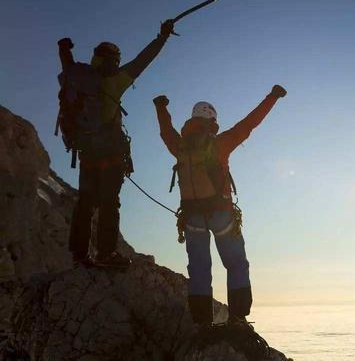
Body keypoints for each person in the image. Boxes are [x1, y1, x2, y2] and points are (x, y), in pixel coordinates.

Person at [152, 84, 287, 328]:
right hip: (221, 214)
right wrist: (273, 97)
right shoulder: (220, 143)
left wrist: (161, 107)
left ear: (193, 119)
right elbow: (248, 124)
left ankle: (202, 321)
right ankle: (238, 318)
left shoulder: (180, 146)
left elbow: (165, 131)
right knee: (236, 263)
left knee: (200, 267)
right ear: (212, 121)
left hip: (192, 218)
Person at [60, 19, 176, 268]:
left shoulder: (77, 76)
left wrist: (64, 49)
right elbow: (145, 59)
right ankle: (106, 254)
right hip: (110, 153)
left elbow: (66, 65)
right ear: (113, 58)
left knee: (85, 203)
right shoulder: (116, 79)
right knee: (110, 202)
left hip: (86, 152)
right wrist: (163, 36)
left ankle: (79, 255)